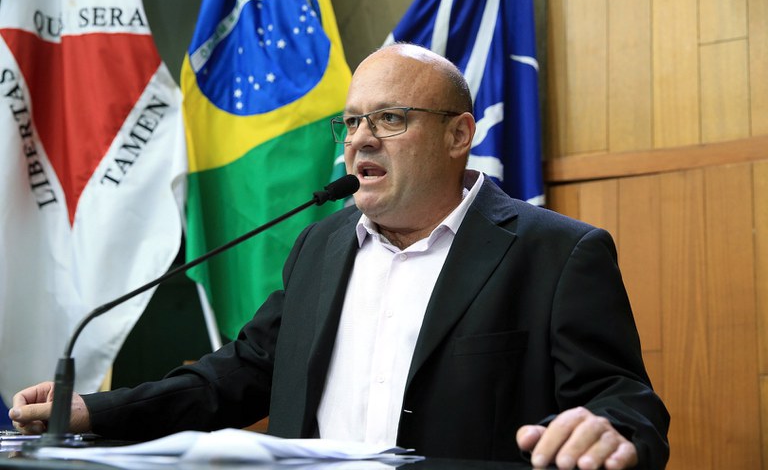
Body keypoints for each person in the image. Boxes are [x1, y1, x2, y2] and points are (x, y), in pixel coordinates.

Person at [10, 43, 669, 469]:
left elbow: (623, 401)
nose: (360, 140)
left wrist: (607, 428)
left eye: (389, 119)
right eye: (352, 121)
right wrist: (96, 411)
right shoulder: (321, 245)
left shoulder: (556, 252)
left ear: (458, 134)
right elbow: (241, 373)